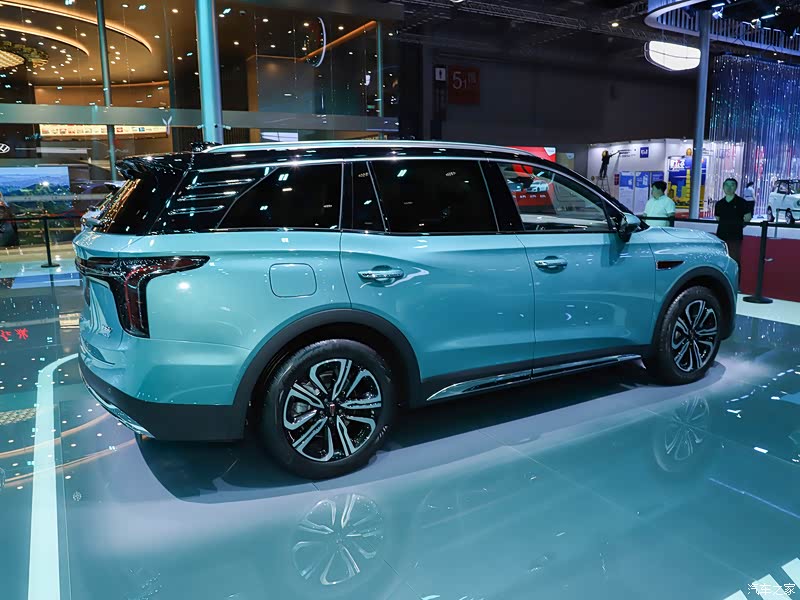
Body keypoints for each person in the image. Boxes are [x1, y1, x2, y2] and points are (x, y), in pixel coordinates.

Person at [714, 177, 752, 268]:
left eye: (732, 185)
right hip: (721, 235)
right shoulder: (719, 203)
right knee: (720, 259)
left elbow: (748, 218)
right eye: (726, 185)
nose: (729, 187)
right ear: (723, 187)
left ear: (736, 187)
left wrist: (738, 226)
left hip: (735, 236)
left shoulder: (742, 202)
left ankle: (735, 276)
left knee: (734, 260)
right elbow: (717, 218)